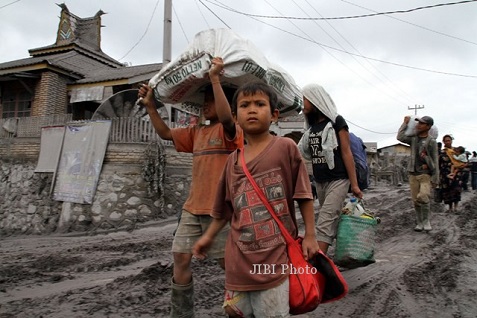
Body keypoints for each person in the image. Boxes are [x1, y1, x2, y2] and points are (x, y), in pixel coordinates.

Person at [192, 81, 319, 317]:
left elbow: (303, 194)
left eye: (260, 104)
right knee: (235, 312)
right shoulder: (232, 162)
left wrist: (310, 234)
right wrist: (207, 237)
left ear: (274, 115)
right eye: (245, 105)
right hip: (238, 262)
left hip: (275, 260)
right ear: (235, 116)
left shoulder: (286, 148)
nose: (252, 109)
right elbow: (225, 210)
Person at [138, 57, 243, 318]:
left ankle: (244, 308)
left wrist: (216, 79)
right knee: (180, 259)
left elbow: (228, 121)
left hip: (220, 214)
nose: (205, 105)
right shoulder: (197, 132)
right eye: (204, 100)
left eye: (211, 100)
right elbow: (165, 134)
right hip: (192, 210)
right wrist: (151, 106)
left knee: (229, 266)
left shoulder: (233, 132)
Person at [297, 84, 362, 254]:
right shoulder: (310, 128)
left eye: (304, 99)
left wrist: (354, 185)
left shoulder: (336, 121)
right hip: (320, 181)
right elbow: (302, 152)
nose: (302, 103)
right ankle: (346, 252)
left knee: (324, 222)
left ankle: (317, 266)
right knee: (332, 218)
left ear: (315, 99)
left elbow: (347, 153)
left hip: (338, 179)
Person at [397, 115, 439, 232]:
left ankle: (426, 221)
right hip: (413, 173)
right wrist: (404, 123)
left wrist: (435, 178)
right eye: (418, 123)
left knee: (423, 196)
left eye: (422, 123)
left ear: (428, 126)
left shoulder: (431, 141)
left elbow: (435, 159)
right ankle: (420, 222)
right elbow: (400, 137)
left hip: (425, 174)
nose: (418, 125)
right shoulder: (414, 138)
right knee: (416, 200)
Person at [439, 135, 464, 212]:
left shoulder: (456, 151)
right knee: (448, 190)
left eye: (449, 140)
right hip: (446, 174)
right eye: (446, 141)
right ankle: (450, 208)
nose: (447, 142)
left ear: (451, 141)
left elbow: (462, 161)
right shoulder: (442, 152)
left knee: (456, 189)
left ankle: (456, 207)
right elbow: (439, 164)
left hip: (457, 173)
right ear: (443, 142)